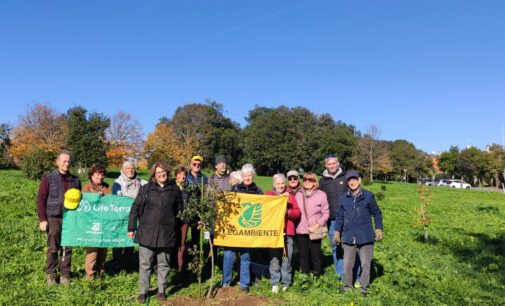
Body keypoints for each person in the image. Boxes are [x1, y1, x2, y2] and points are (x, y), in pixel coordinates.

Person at [128, 162, 183, 303]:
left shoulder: (174, 190)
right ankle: (143, 292)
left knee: (164, 264)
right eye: (158, 172)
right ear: (154, 174)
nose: (161, 174)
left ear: (167, 173)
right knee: (145, 264)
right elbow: (135, 208)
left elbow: (180, 210)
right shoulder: (146, 189)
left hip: (166, 233)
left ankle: (161, 291)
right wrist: (131, 227)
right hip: (147, 232)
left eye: (163, 172)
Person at [334, 171, 383, 297]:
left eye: (354, 179)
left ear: (359, 180)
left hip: (366, 235)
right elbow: (339, 216)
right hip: (349, 235)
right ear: (347, 182)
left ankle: (363, 289)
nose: (352, 182)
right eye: (349, 180)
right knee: (347, 264)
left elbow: (377, 213)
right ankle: (348, 287)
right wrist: (336, 232)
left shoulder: (368, 196)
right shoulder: (344, 198)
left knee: (365, 264)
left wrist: (378, 229)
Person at [37, 150, 81, 286]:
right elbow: (41, 199)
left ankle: (65, 275)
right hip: (53, 218)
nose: (67, 164)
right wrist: (42, 219)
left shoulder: (75, 180)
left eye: (69, 161)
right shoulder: (48, 178)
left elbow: (80, 200)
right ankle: (51, 275)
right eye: (64, 161)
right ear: (58, 162)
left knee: (67, 248)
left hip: (70, 218)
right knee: (52, 248)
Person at [223, 163, 263, 294]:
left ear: (253, 176)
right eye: (245, 175)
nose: (247, 178)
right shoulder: (234, 189)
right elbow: (226, 205)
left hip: (248, 230)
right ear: (242, 176)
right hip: (234, 230)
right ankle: (226, 282)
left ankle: (244, 284)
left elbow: (264, 207)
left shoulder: (258, 191)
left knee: (246, 256)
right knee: (229, 255)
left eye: (249, 175)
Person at [265, 174, 301, 293]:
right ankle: (275, 282)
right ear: (274, 184)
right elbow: (264, 209)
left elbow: (297, 213)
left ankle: (286, 282)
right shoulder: (269, 195)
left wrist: (287, 211)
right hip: (274, 232)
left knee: (287, 257)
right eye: (278, 183)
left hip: (288, 232)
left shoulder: (290, 196)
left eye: (282, 183)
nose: (280, 186)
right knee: (274, 257)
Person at [111, 160, 147, 270]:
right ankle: (117, 263)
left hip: (135, 217)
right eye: (128, 168)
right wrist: (129, 199)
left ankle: (128, 263)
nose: (131, 170)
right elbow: (116, 198)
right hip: (121, 217)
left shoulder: (141, 182)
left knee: (130, 239)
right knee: (119, 240)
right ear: (123, 170)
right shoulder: (118, 183)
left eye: (132, 168)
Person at [318, 154, 348, 279]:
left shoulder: (346, 177)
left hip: (347, 218)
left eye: (333, 163)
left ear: (338, 163)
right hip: (332, 219)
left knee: (349, 246)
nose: (331, 166)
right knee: (335, 246)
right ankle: (340, 274)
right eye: (329, 164)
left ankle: (350, 272)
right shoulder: (322, 182)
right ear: (326, 165)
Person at [295, 172, 329, 278]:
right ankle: (305, 276)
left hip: (315, 229)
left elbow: (326, 213)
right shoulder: (298, 194)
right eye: (305, 179)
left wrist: (317, 225)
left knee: (316, 255)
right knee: (303, 255)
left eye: (310, 180)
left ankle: (317, 277)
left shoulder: (321, 195)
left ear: (315, 182)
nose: (307, 182)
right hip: (301, 229)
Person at [82, 164, 111, 280]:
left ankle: (101, 272)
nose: (100, 176)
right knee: (93, 250)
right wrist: (95, 198)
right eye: (98, 174)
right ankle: (90, 275)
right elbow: (84, 204)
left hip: (105, 222)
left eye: (102, 174)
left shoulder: (107, 187)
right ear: (92, 175)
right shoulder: (87, 188)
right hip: (92, 224)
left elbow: (111, 202)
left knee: (103, 249)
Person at [174, 166, 190, 271]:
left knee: (182, 243)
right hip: (173, 219)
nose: (182, 176)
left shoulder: (188, 188)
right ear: (176, 175)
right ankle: (172, 263)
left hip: (184, 219)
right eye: (180, 174)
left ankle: (180, 266)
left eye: (184, 174)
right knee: (173, 242)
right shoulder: (170, 186)